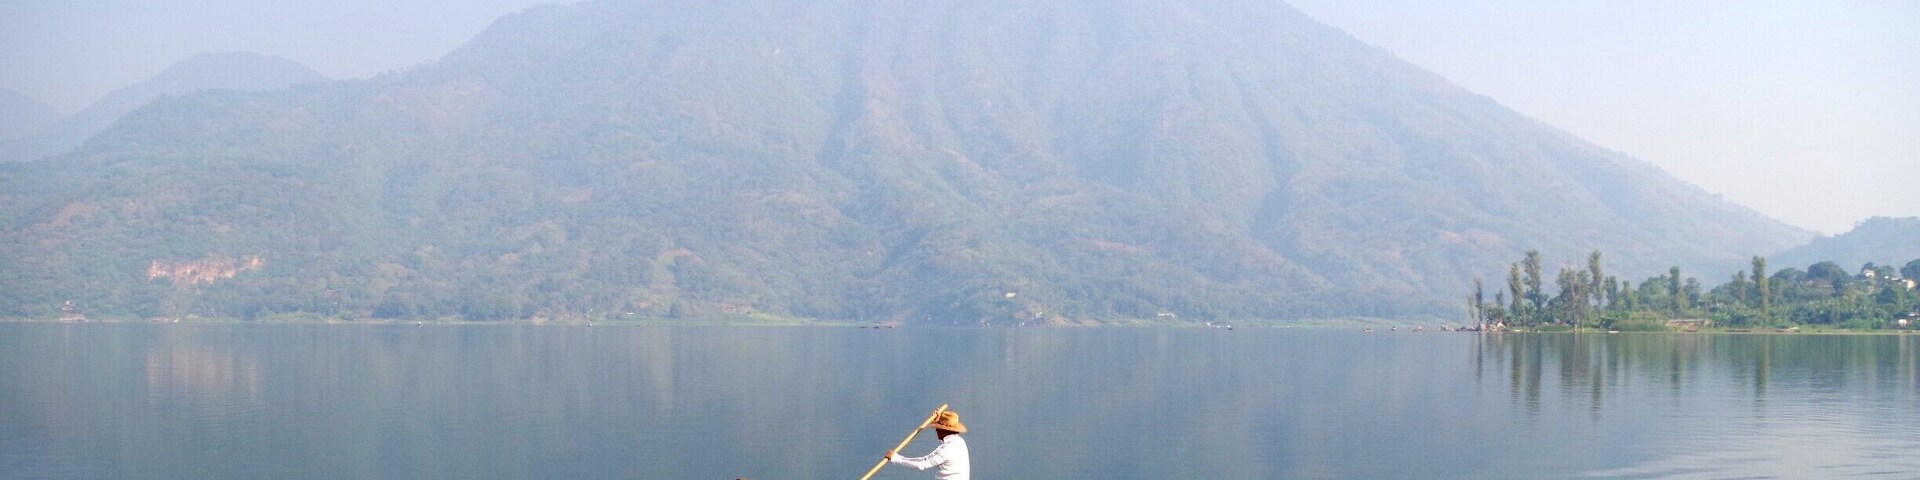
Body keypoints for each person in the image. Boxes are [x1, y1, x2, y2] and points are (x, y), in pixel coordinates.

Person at [885, 410, 970, 480]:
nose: (936, 431)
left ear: (943, 430)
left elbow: (922, 463)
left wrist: (897, 458)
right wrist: (938, 419)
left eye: (937, 428)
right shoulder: (960, 442)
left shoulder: (947, 449)